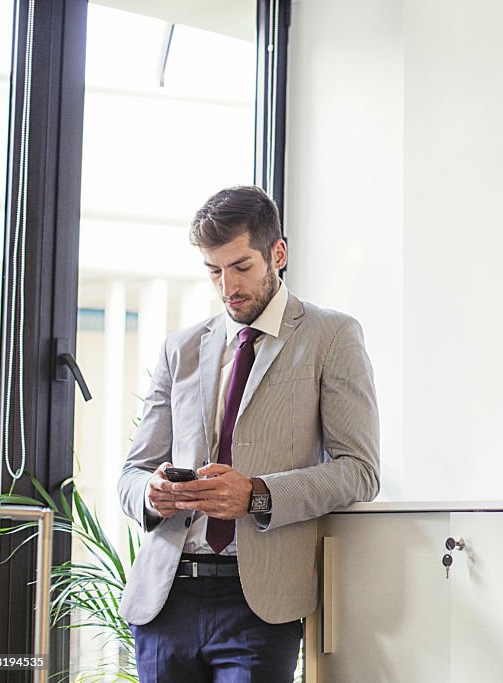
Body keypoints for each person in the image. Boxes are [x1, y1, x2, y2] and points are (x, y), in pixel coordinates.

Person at [117, 185, 379, 681]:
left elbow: (360, 472)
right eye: (214, 271)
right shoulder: (182, 348)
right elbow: (131, 474)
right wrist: (152, 494)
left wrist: (257, 495)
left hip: (258, 605)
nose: (227, 286)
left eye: (241, 267)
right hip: (165, 600)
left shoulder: (332, 336)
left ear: (277, 253)